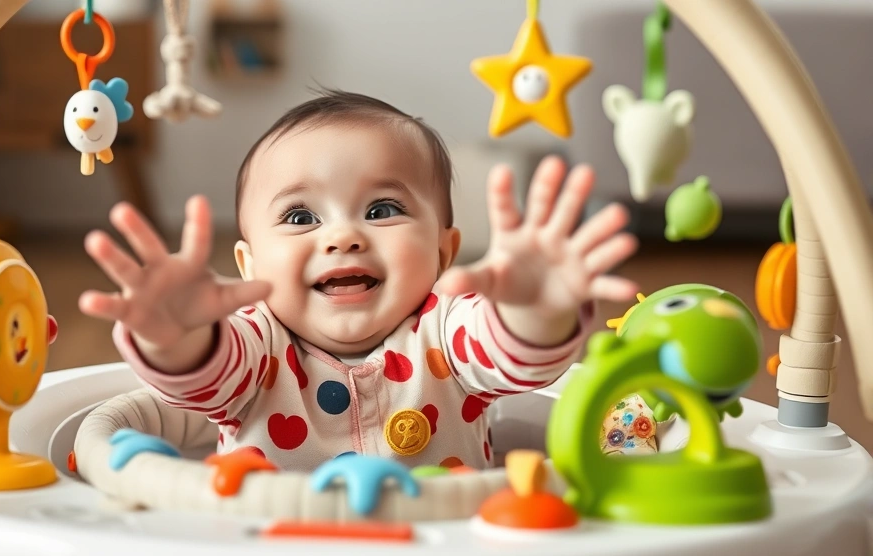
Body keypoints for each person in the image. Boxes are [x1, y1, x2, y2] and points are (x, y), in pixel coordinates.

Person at [80, 90, 639, 471]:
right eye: (301, 218)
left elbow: (513, 353)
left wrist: (536, 310)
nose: (343, 236)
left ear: (444, 251)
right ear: (249, 267)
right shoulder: (254, 346)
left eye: (382, 210)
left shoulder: (448, 330)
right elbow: (202, 376)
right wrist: (173, 334)